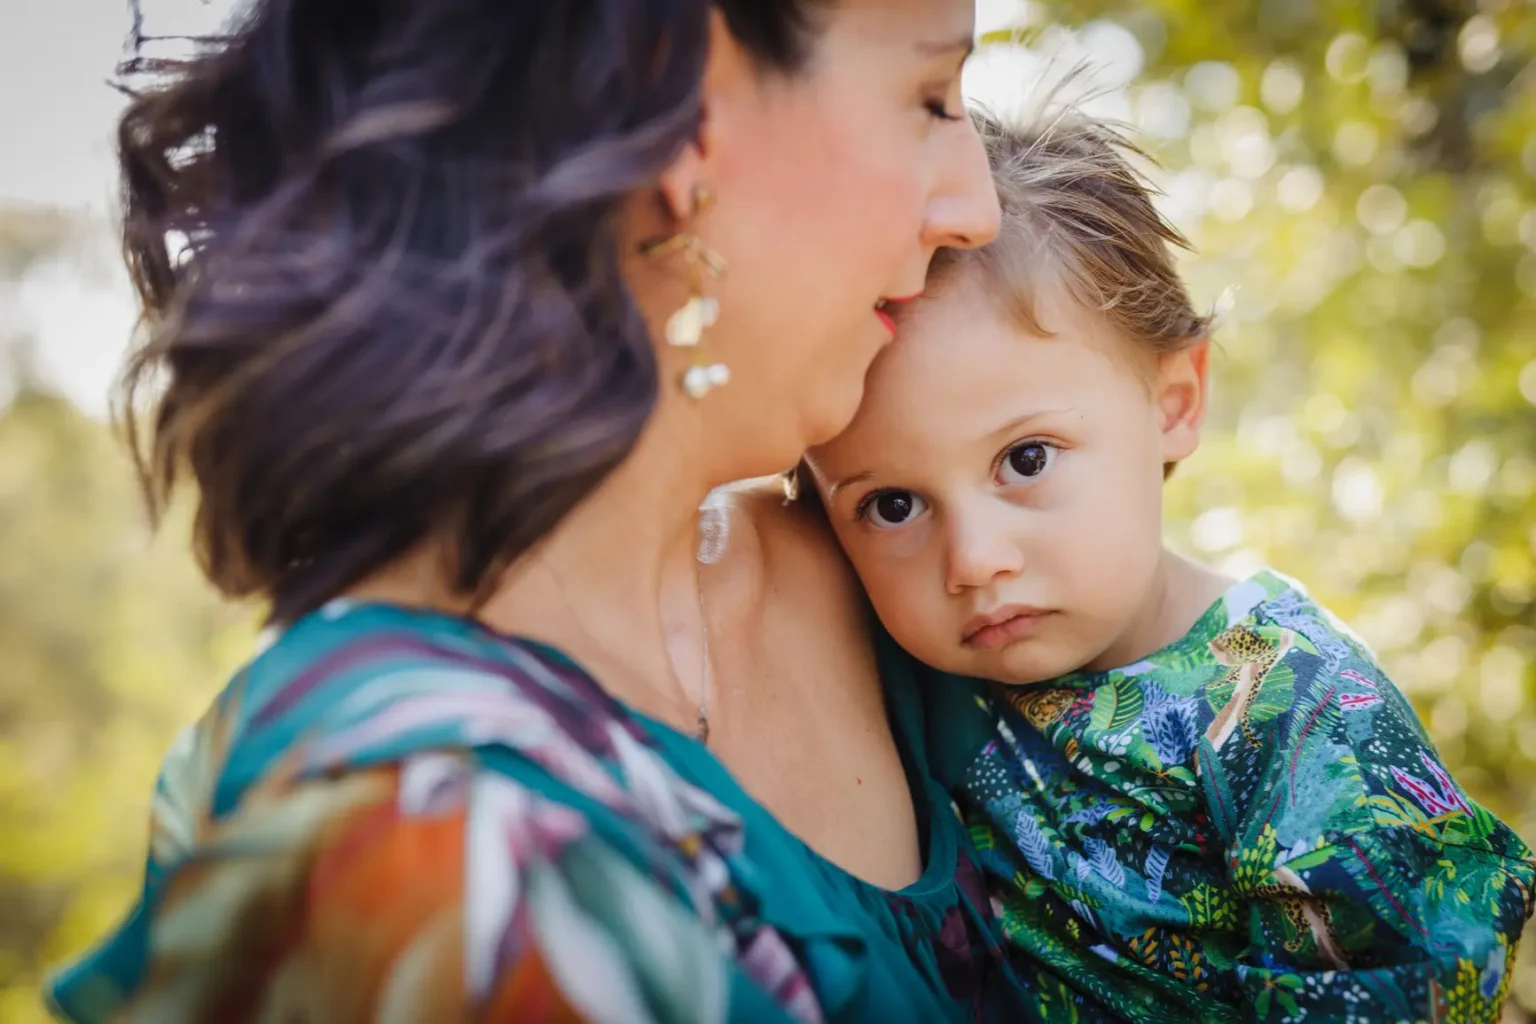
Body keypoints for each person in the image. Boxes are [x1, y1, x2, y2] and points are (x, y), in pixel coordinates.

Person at [45, 2, 1024, 1022]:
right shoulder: (398, 821)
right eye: (929, 98)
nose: (976, 209)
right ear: (686, 102)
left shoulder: (906, 574)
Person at [803, 102, 1536, 1022]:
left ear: (1174, 402)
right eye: (892, 506)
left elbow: (1410, 985)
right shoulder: (910, 670)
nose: (973, 560)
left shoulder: (1294, 707)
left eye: (1025, 459)